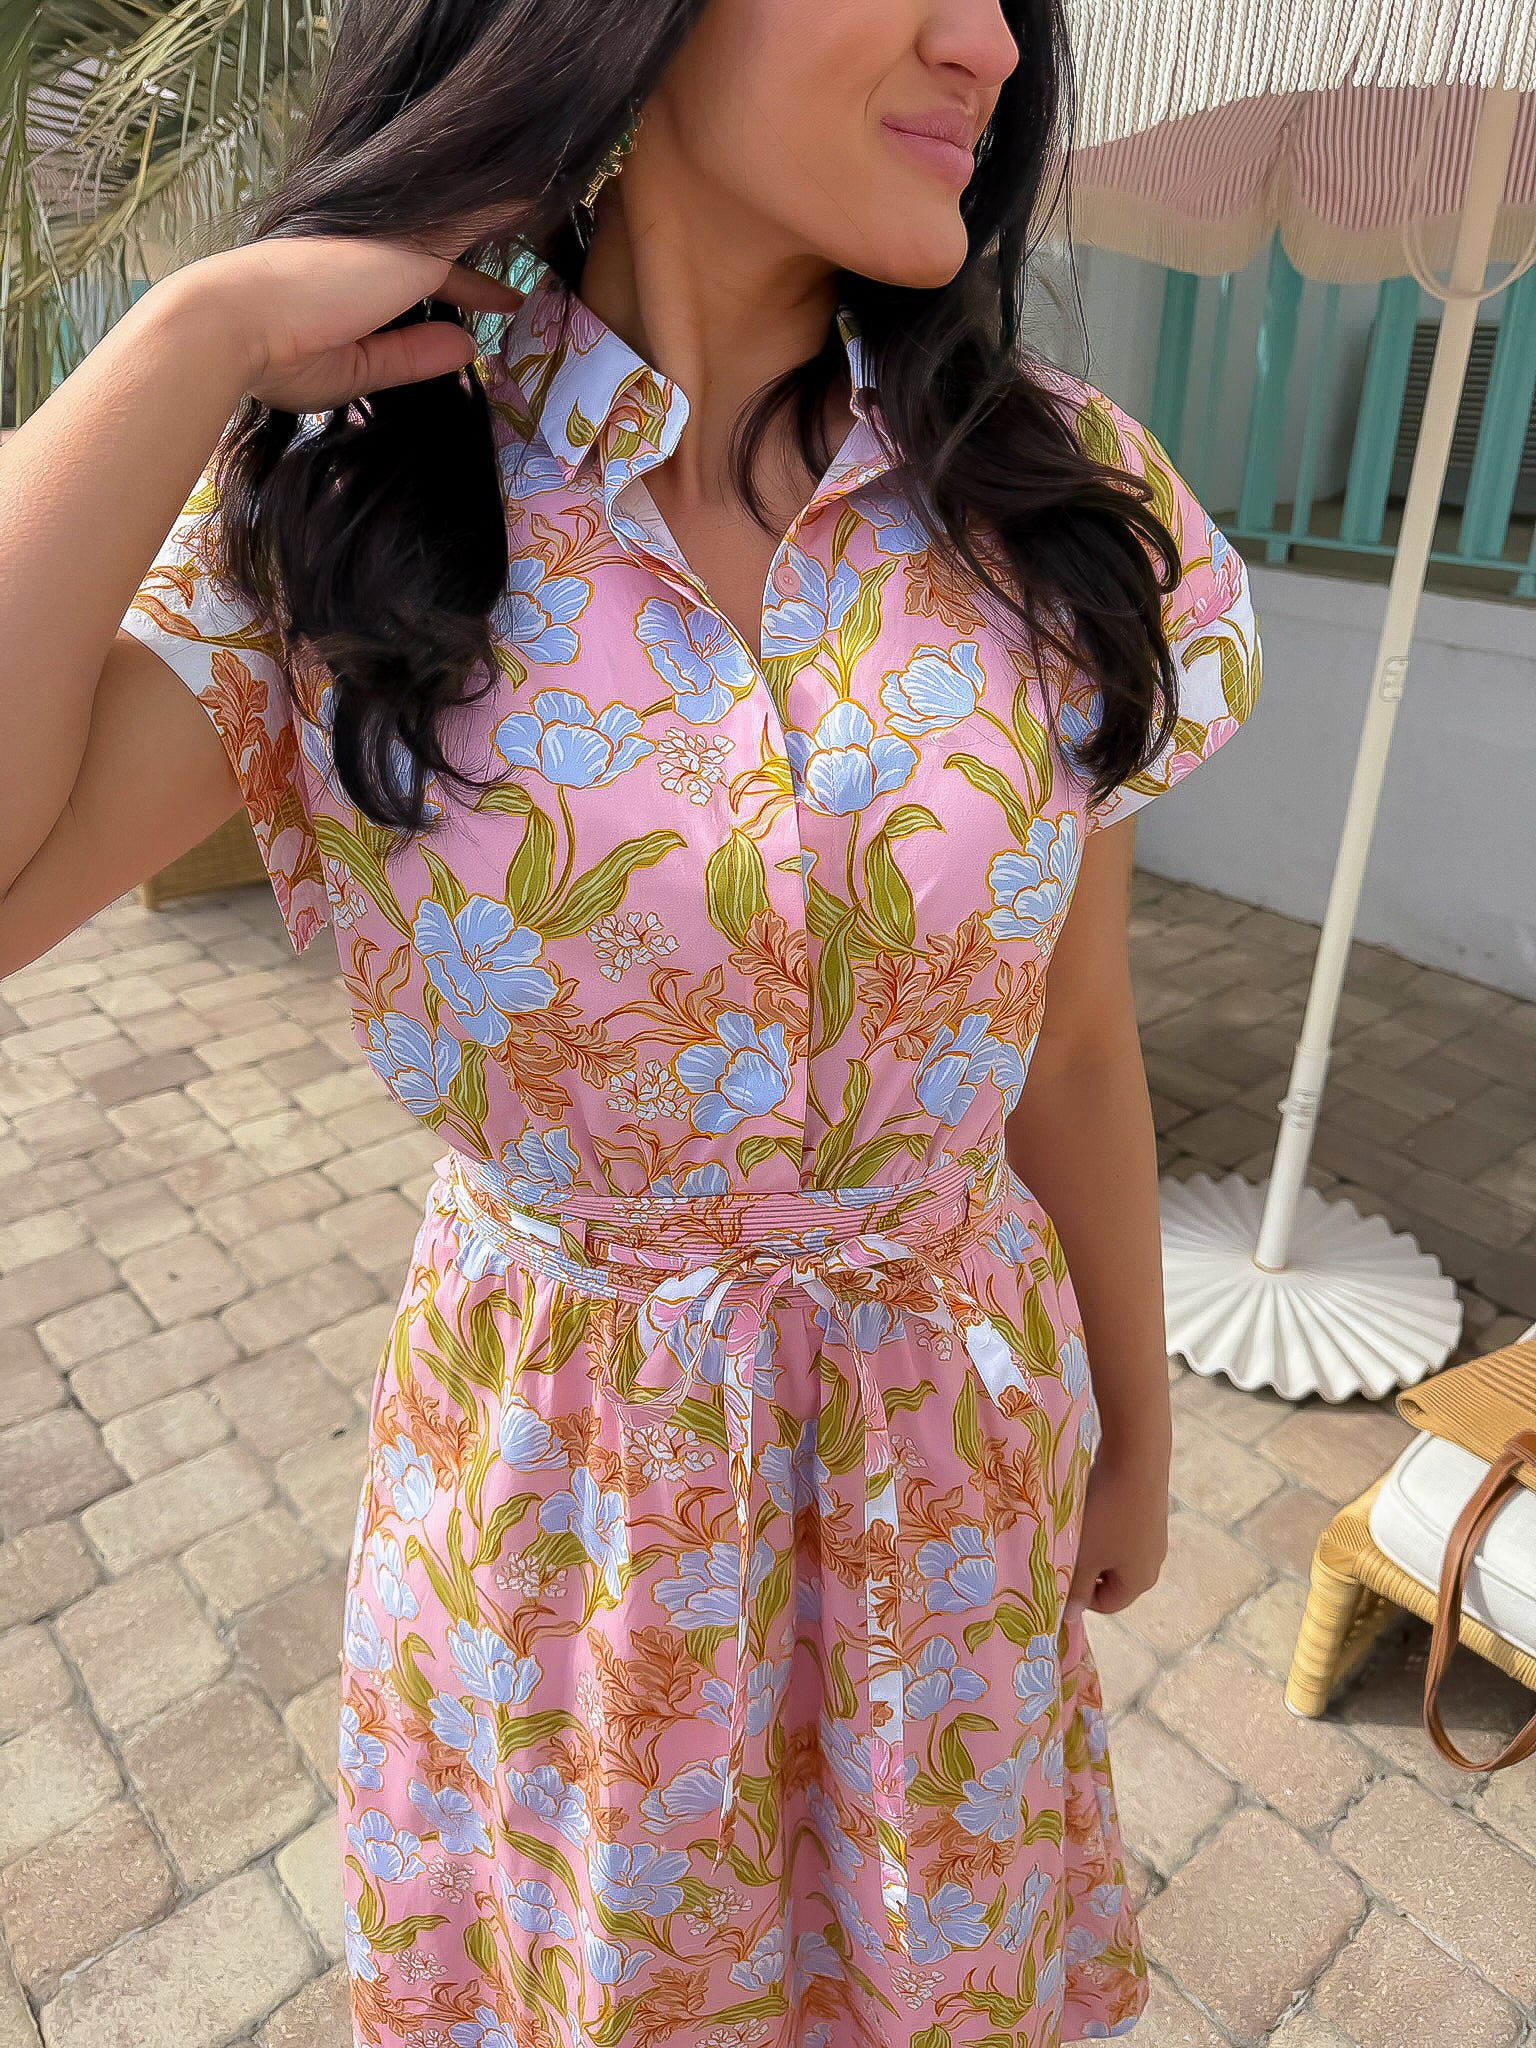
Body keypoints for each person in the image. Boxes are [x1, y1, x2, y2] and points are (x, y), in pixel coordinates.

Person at [0, 0, 1262, 2040]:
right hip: (566, 1532)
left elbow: (1079, 1037)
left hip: (945, 1501)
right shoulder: (362, 515)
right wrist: (198, 333)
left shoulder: (1062, 509)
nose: (994, 50)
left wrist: (1137, 1432)